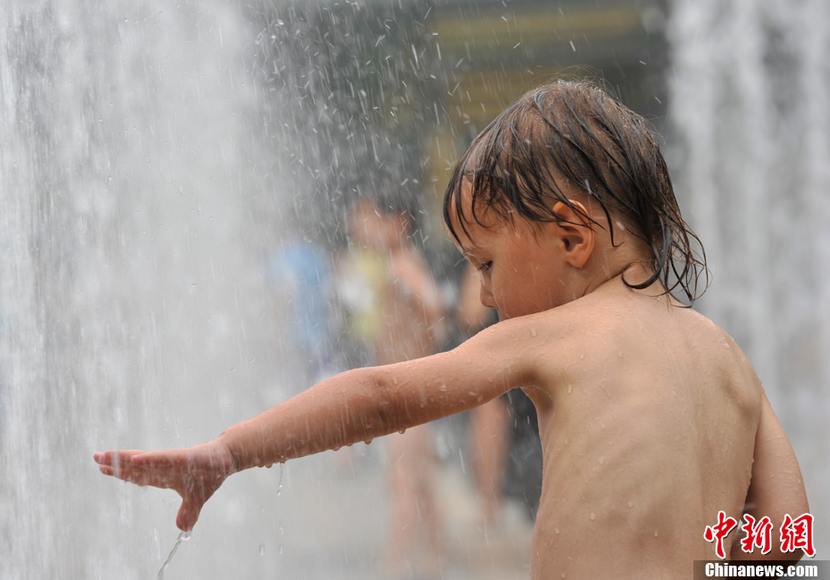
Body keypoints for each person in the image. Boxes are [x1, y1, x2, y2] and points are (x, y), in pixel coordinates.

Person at [94, 80, 809, 578]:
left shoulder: (551, 335)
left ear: (572, 236)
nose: (489, 292)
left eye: (488, 263)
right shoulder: (728, 358)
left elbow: (378, 396)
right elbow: (785, 538)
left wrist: (229, 451)